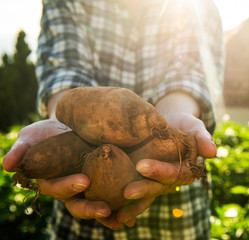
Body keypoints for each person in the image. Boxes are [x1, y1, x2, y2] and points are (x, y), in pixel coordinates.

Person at [2, 0, 224, 239]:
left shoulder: (195, 6)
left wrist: (168, 122)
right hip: (79, 226)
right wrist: (69, 120)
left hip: (179, 224)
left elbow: (189, 74)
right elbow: (63, 71)